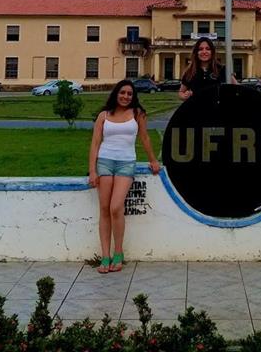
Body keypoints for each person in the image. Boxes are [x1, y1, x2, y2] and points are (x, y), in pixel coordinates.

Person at [88, 79, 161, 273]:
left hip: (126, 163)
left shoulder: (137, 114)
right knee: (104, 208)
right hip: (104, 162)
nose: (126, 97)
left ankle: (118, 253)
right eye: (122, 93)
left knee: (115, 206)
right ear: (116, 94)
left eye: (129, 94)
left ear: (133, 96)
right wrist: (93, 170)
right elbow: (95, 143)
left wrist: (153, 160)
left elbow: (144, 137)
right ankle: (105, 256)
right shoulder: (104, 115)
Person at [177, 36, 237, 100]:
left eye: (208, 49)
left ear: (212, 52)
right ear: (196, 52)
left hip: (217, 109)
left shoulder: (222, 69)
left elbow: (237, 88)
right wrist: (185, 96)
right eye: (200, 49)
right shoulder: (189, 71)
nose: (204, 52)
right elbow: (181, 92)